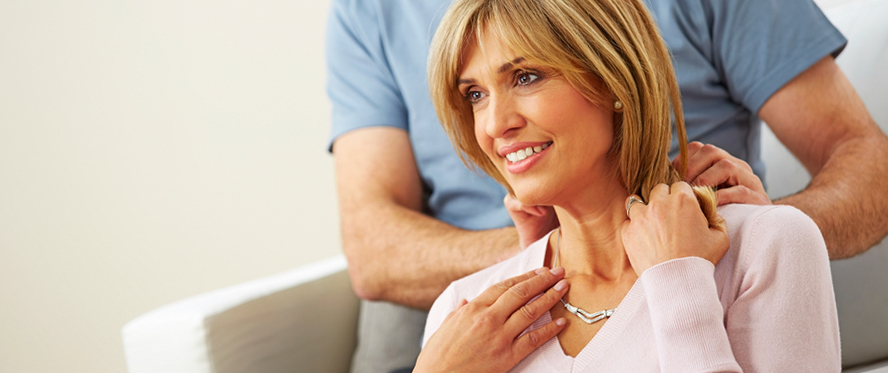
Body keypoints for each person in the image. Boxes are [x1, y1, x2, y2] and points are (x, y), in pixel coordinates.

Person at [325, 0, 887, 371]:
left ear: (613, 77)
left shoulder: (769, 246)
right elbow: (372, 249)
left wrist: (695, 255)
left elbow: (864, 160)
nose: (494, 125)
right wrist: (557, 253)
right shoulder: (460, 311)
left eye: (526, 76)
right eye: (473, 95)